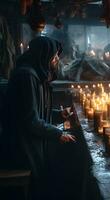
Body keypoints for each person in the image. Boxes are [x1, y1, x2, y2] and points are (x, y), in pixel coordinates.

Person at [0, 36, 76, 199]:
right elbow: (31, 121)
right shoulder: (26, 77)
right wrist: (58, 134)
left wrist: (59, 114)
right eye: (55, 56)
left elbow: (36, 112)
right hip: (20, 147)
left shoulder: (36, 74)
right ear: (44, 54)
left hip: (29, 142)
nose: (57, 60)